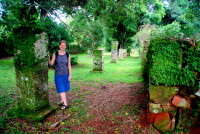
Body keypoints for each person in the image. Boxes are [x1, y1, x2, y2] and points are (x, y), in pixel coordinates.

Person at [48, 40, 71, 110]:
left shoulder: (67, 54)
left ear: (65, 46)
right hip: (58, 75)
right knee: (61, 89)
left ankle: (62, 102)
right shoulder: (55, 54)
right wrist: (48, 58)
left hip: (66, 74)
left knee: (63, 89)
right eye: (61, 45)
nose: (63, 46)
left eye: (64, 45)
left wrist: (70, 75)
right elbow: (51, 63)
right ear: (59, 46)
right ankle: (65, 104)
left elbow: (69, 65)